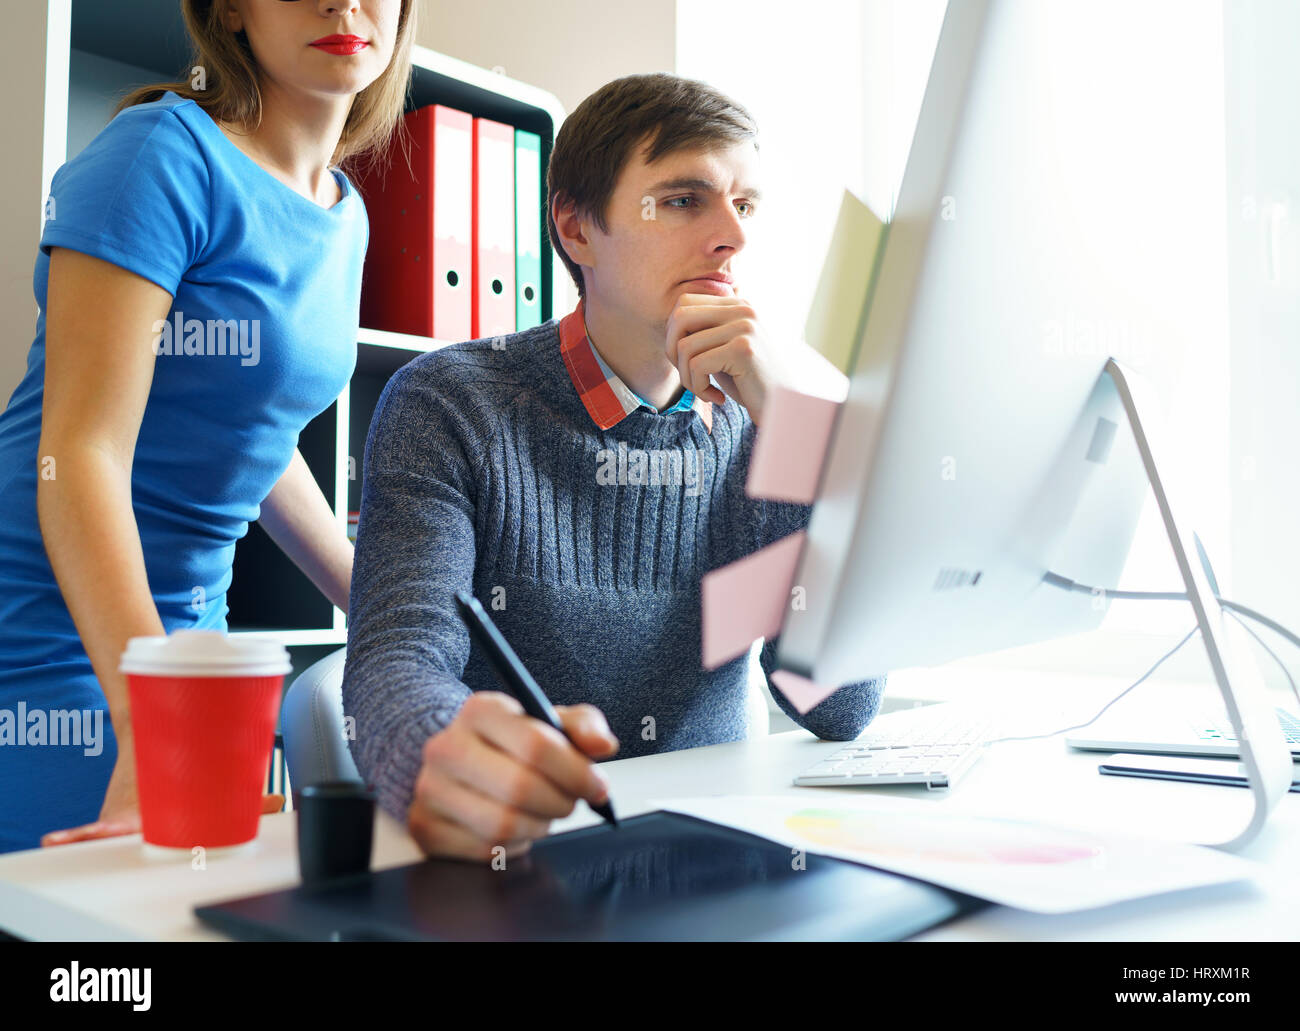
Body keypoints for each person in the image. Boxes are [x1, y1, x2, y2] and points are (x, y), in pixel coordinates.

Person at [342, 72, 889, 863]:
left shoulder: (758, 421)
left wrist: (793, 434)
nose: (731, 236)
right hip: (530, 857)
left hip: (720, 860)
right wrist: (437, 753)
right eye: (682, 199)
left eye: (746, 204)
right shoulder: (452, 405)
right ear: (577, 229)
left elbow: (841, 707)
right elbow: (399, 656)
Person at [0, 0, 417, 854]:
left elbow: (252, 434)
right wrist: (152, 713)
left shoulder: (343, 209)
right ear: (229, 8)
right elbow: (81, 451)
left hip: (194, 638)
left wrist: (391, 601)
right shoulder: (161, 154)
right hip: (57, 634)